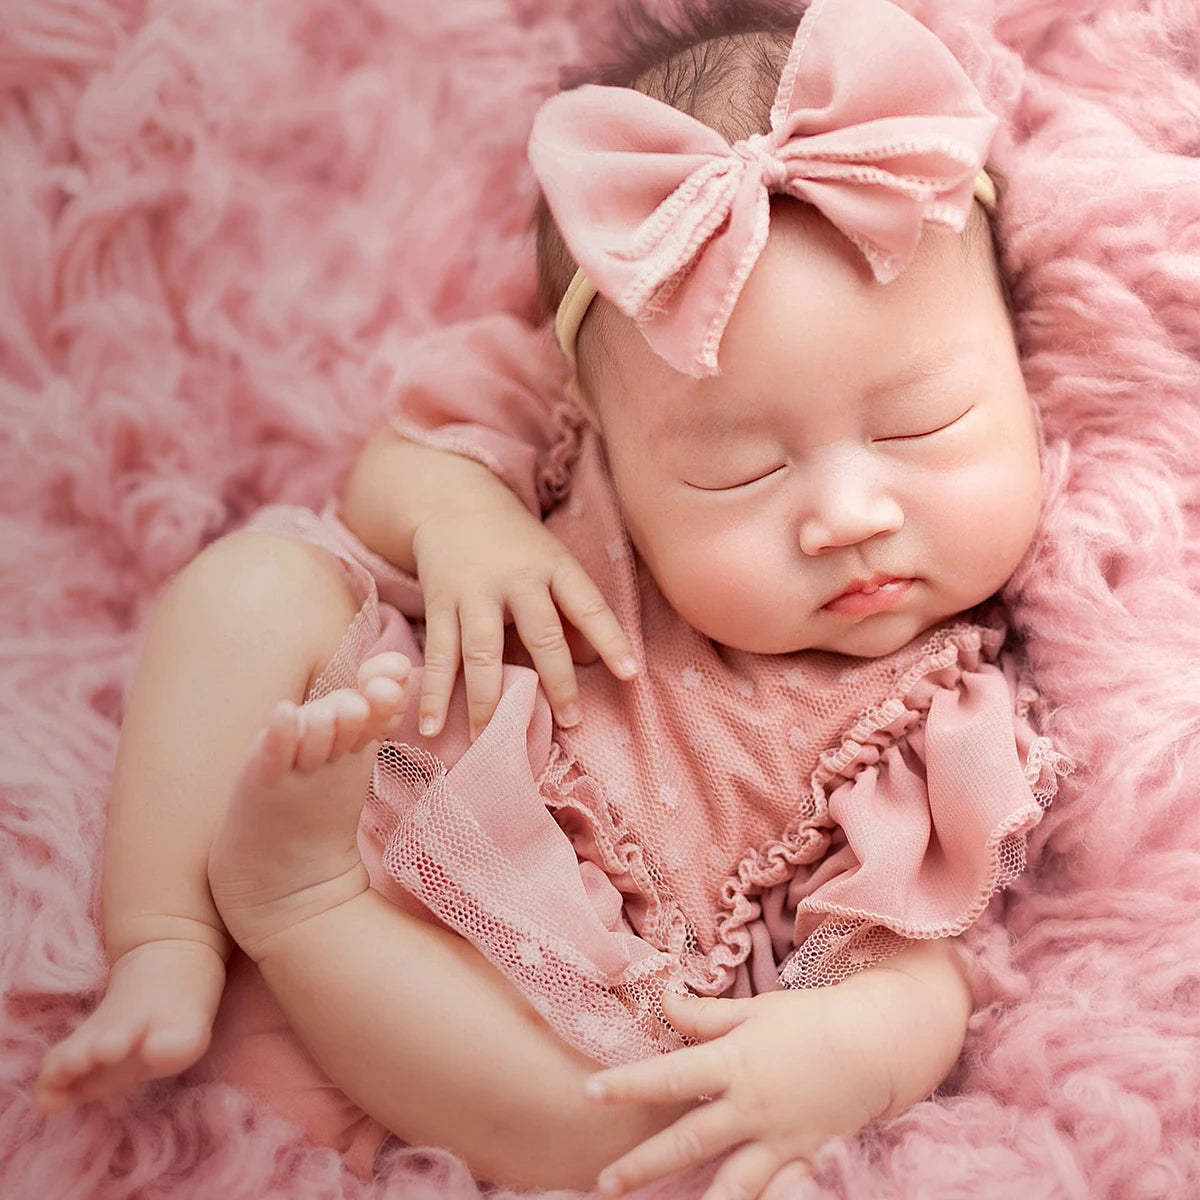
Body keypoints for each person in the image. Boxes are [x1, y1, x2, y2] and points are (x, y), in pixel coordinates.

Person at [35, 0, 1070, 1196]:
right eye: (740, 467)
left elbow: (921, 964)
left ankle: (298, 909)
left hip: (499, 1031)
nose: (848, 513)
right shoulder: (561, 444)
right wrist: (454, 516)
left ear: (1019, 363)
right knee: (250, 585)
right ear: (609, 435)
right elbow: (390, 468)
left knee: (660, 1112)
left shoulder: (942, 717)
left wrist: (860, 1045)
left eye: (923, 423)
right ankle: (163, 941)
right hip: (365, 763)